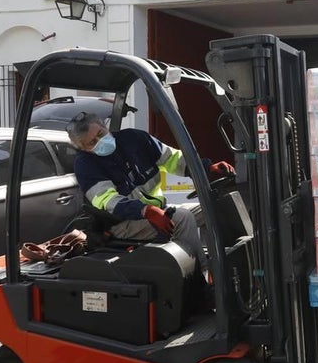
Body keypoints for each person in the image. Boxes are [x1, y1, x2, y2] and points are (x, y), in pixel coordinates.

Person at [65, 111, 233, 261]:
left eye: (101, 134)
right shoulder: (86, 165)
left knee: (211, 208)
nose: (100, 141)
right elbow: (110, 201)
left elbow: (172, 158)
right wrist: (146, 211)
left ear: (105, 127)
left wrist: (206, 167)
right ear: (84, 149)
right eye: (92, 142)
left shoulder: (134, 139)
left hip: (157, 210)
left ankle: (224, 263)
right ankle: (203, 278)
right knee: (182, 218)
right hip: (123, 223)